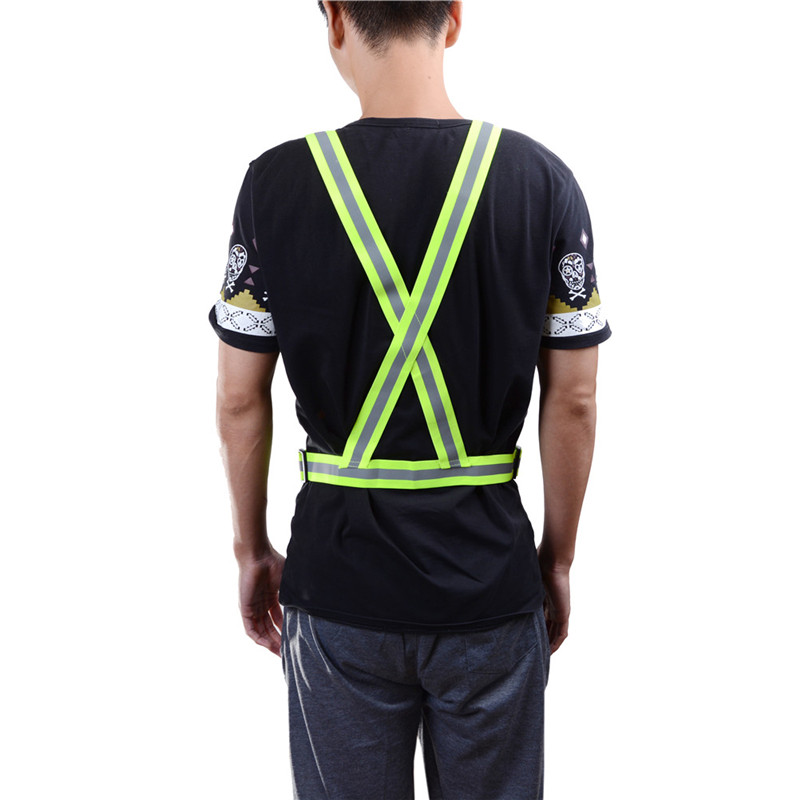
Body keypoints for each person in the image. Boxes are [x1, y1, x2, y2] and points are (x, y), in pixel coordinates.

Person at [210, 2, 611, 797]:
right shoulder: (540, 181)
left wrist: (251, 550)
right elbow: (574, 400)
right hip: (489, 589)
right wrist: (557, 560)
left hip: (337, 589)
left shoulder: (275, 184)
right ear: (454, 16)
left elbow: (238, 400)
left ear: (334, 18)